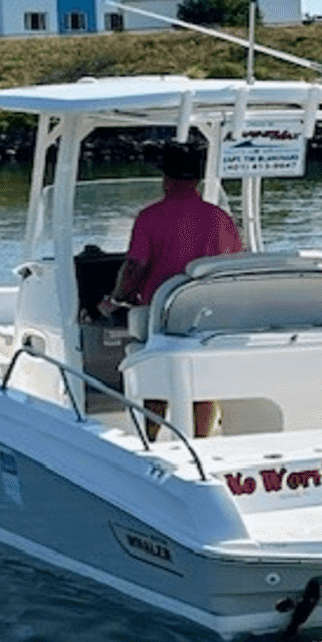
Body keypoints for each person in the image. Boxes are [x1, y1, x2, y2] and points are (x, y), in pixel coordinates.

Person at [98, 141, 243, 437]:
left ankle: (151, 438)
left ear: (166, 180)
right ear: (198, 180)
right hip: (208, 313)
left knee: (156, 375)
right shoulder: (220, 218)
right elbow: (234, 265)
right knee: (203, 380)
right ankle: (201, 441)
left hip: (162, 313)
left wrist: (114, 301)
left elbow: (134, 269)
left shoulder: (150, 217)